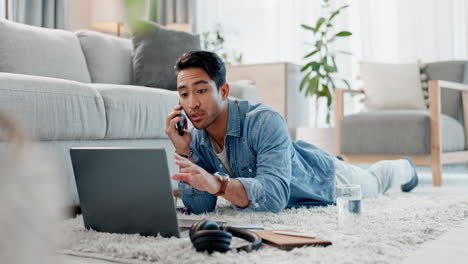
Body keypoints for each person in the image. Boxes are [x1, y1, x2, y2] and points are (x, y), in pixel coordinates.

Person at [165, 51, 418, 214]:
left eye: (200, 91)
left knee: (374, 181)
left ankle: (405, 167)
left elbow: (274, 197)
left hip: (323, 179)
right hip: (296, 166)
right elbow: (200, 207)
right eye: (184, 94)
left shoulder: (265, 121)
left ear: (223, 91)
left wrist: (219, 184)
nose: (191, 104)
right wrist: (183, 151)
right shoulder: (195, 139)